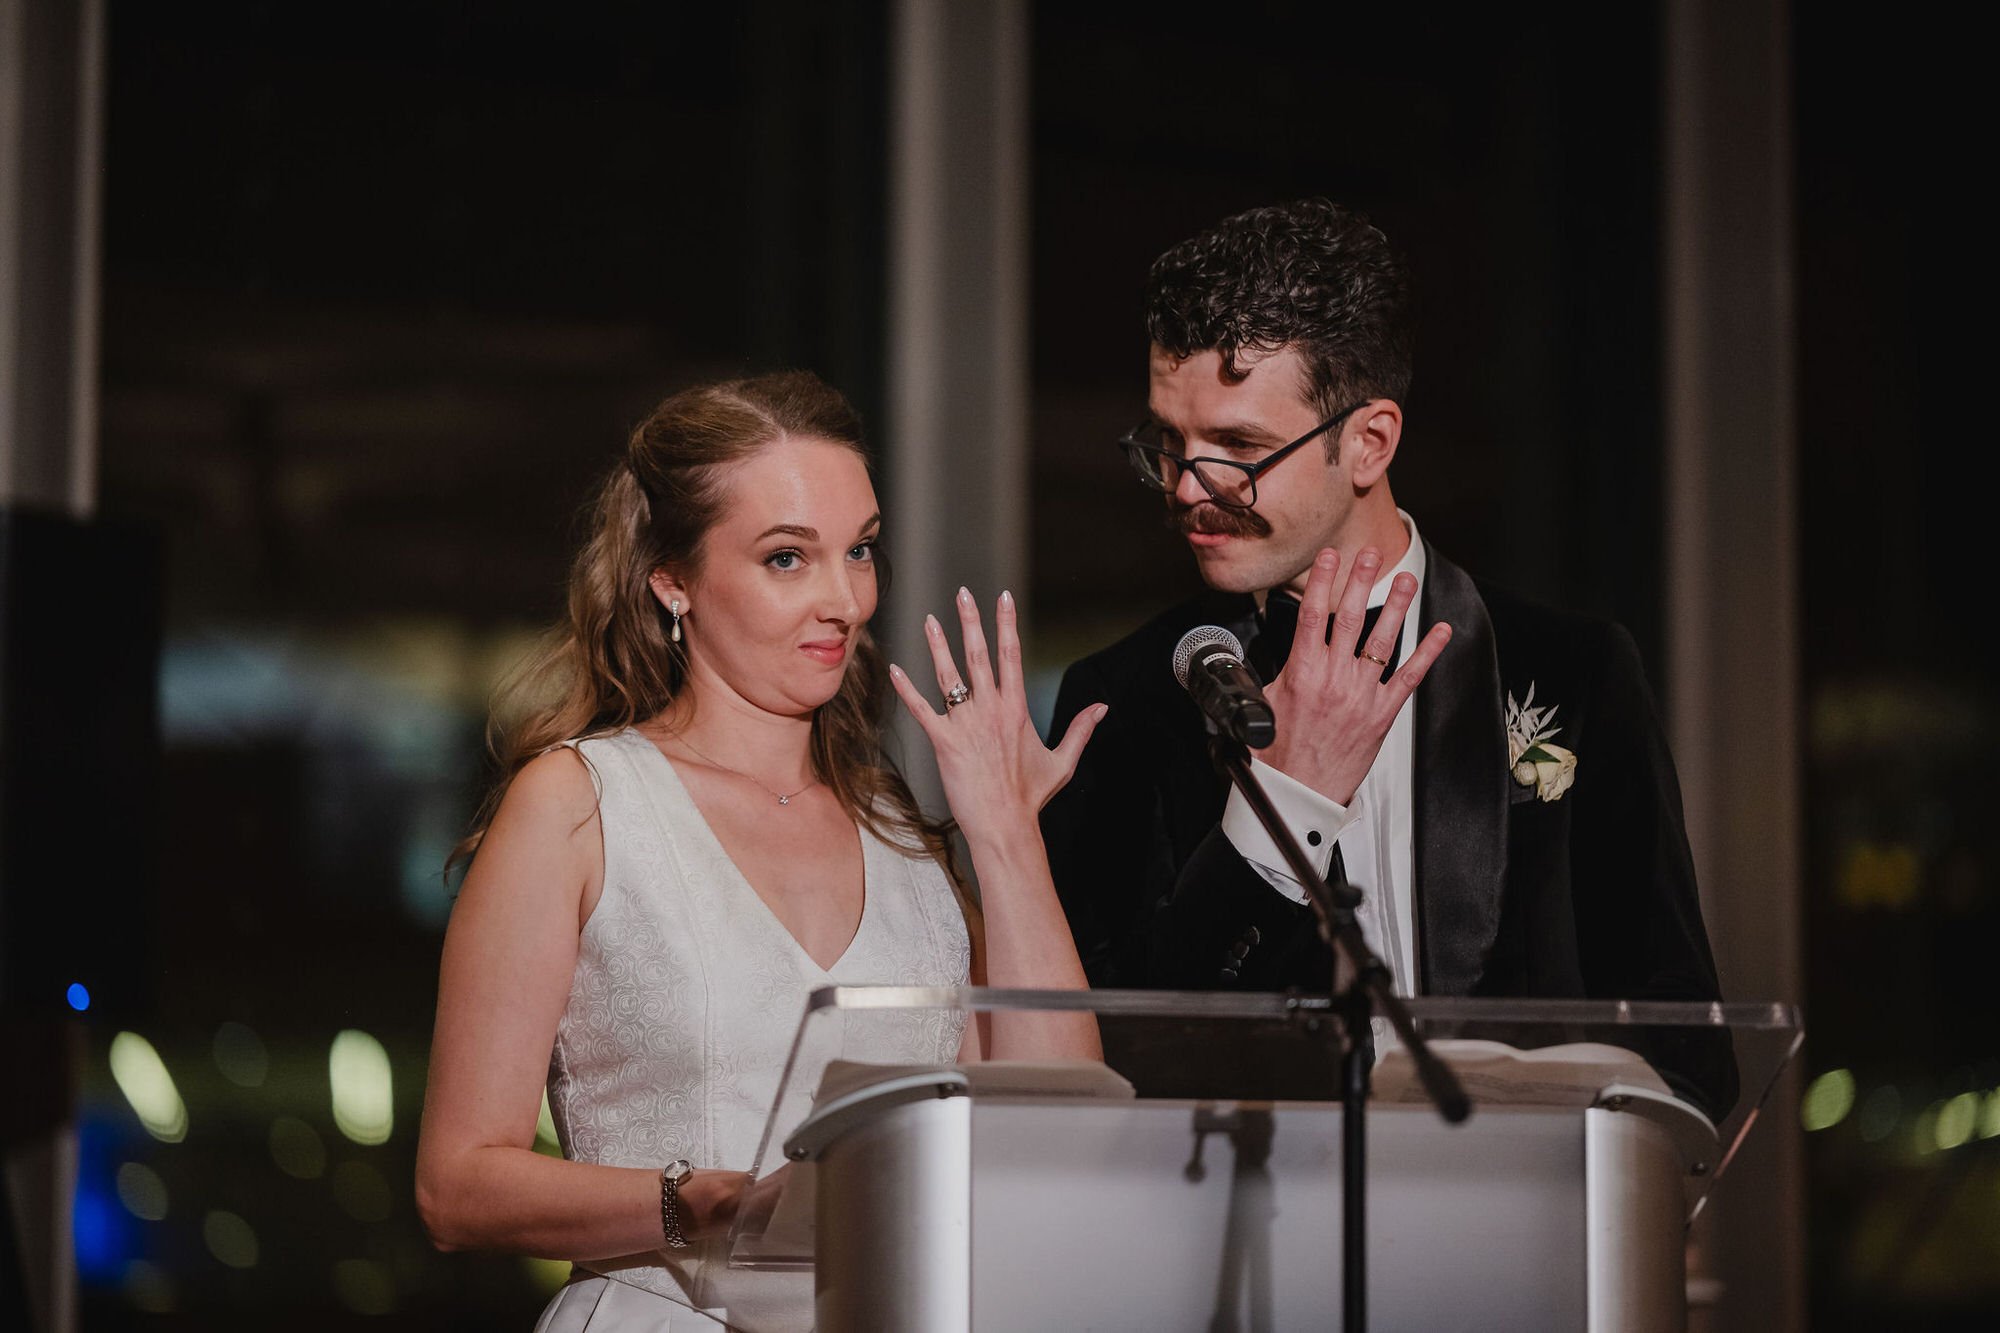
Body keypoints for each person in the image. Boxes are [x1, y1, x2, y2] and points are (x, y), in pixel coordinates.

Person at [415, 371, 1105, 1331]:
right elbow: (456, 1187)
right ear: (674, 579)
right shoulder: (580, 803)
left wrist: (1007, 835)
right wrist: (696, 1203)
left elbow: (1058, 1120)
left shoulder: (898, 833)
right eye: (788, 558)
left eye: (859, 550)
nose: (844, 600)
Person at [1041, 198, 1732, 1111]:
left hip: (1518, 1232)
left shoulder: (1576, 673)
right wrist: (1277, 813)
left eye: (1238, 447)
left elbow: (1684, 1053)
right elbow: (1113, 1062)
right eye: (1169, 445)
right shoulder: (1122, 698)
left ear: (1369, 442)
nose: (1186, 489)